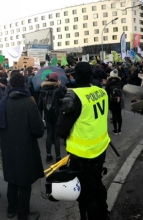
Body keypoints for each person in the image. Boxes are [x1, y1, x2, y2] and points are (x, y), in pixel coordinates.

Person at [57, 62, 111, 220]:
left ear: (75, 76)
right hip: (100, 148)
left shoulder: (75, 96)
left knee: (86, 193)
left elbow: (61, 129)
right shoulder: (101, 91)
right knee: (97, 182)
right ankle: (104, 211)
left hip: (82, 154)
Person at [0, 73, 44, 220]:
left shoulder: (4, 102)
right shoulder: (29, 102)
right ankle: (23, 214)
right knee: (25, 182)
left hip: (8, 148)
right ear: (24, 84)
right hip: (25, 148)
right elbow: (38, 130)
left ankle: (11, 209)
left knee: (12, 180)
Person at [38, 73, 66, 163]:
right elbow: (64, 99)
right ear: (56, 80)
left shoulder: (42, 90)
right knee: (56, 136)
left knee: (49, 135)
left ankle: (48, 156)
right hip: (57, 115)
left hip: (47, 115)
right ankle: (58, 157)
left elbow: (39, 105)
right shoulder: (58, 89)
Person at [105, 70, 124, 135]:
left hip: (112, 101)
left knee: (114, 116)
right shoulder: (120, 82)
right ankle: (119, 130)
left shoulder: (109, 82)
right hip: (119, 100)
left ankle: (115, 130)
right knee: (119, 115)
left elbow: (106, 93)